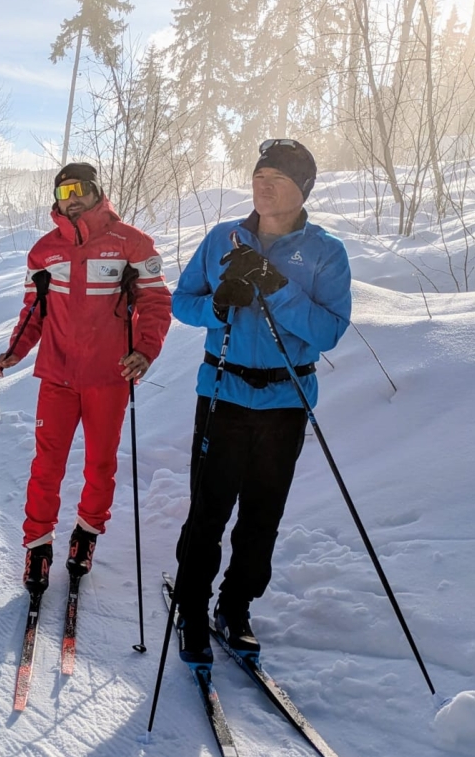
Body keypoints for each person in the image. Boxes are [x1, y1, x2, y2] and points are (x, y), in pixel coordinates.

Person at [170, 139, 351, 664]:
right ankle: (192, 607)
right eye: (258, 174)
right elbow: (184, 302)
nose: (262, 183)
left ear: (302, 189)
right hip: (223, 392)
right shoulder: (221, 238)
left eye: (276, 177)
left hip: (285, 399)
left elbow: (328, 330)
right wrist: (219, 305)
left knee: (262, 513)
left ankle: (235, 605)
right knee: (208, 508)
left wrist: (275, 287)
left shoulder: (325, 252)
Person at [0, 163, 171, 596]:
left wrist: (145, 351)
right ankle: (37, 544)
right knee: (46, 463)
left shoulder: (133, 243)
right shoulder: (43, 252)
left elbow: (158, 302)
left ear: (96, 191)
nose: (70, 197)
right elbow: (33, 312)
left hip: (107, 378)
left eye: (78, 188)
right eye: (62, 190)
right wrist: (15, 351)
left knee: (101, 464)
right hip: (57, 375)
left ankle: (86, 535)